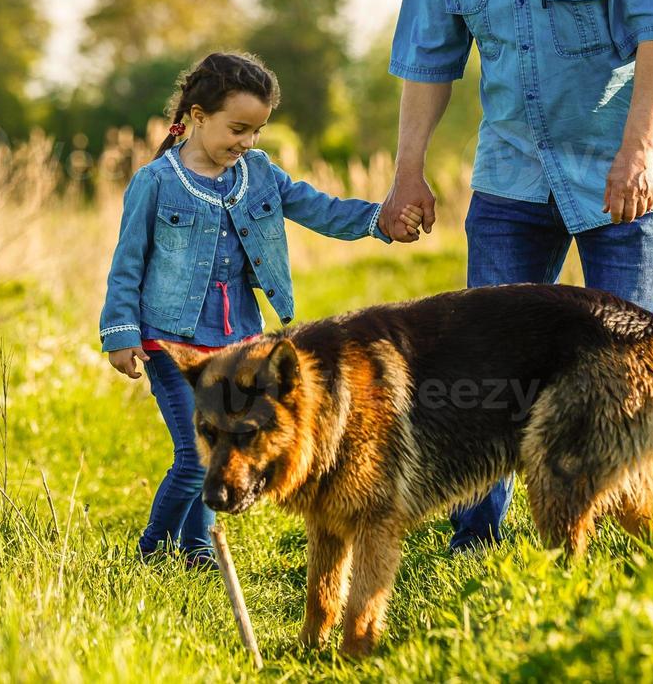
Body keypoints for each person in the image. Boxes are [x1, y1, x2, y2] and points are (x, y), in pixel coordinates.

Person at [383, 0, 653, 554]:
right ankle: (474, 540)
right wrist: (407, 171)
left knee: (621, 369)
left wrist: (637, 152)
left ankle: (621, 533)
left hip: (619, 176)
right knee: (482, 365)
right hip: (513, 180)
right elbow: (428, 63)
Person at [100, 51, 421, 568]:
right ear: (198, 117)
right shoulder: (156, 182)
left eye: (256, 131)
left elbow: (320, 208)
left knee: (218, 449)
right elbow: (127, 262)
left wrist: (379, 220)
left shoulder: (259, 174)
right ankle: (152, 553)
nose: (246, 141)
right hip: (172, 343)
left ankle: (196, 549)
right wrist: (120, 332)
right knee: (194, 456)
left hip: (238, 345)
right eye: (237, 128)